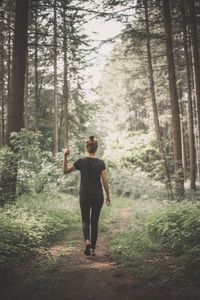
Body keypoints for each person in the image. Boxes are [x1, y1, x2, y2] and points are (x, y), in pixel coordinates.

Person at [63, 136, 111, 256]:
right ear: (96, 149)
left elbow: (65, 171)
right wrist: (108, 196)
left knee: (85, 221)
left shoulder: (81, 161)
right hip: (98, 196)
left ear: (87, 148)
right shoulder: (101, 163)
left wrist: (65, 156)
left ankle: (87, 241)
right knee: (94, 222)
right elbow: (105, 181)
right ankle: (93, 249)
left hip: (85, 196)